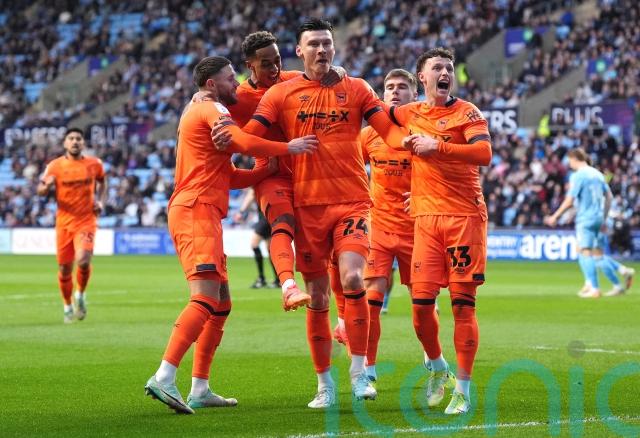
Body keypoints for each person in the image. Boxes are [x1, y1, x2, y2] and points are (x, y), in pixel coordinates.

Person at [212, 18, 409, 408]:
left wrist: (414, 140)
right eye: (314, 44)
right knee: (318, 297)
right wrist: (223, 133)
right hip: (307, 206)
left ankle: (359, 373)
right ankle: (324, 385)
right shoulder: (281, 93)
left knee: (353, 278)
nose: (322, 50)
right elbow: (251, 135)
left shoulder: (358, 88)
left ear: (334, 48)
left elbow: (389, 132)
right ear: (300, 51)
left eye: (327, 43)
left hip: (352, 202)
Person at [144, 55, 318, 414]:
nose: (236, 84)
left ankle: (200, 387)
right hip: (196, 210)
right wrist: (287, 148)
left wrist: (264, 171)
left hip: (204, 210)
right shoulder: (212, 108)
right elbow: (240, 141)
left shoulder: (199, 111)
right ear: (211, 84)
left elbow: (229, 176)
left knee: (221, 303)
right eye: (229, 78)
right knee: (204, 298)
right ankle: (164, 375)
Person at [194, 31, 343, 311]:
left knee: (327, 254)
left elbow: (330, 76)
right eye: (266, 64)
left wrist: (339, 70)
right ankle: (287, 286)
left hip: (309, 173)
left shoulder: (292, 80)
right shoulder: (238, 97)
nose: (274, 68)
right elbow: (210, 105)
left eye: (277, 60)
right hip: (271, 172)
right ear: (249, 65)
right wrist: (199, 96)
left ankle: (344, 318)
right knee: (282, 223)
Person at [389, 47, 492, 414]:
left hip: (464, 218)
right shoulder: (409, 113)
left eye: (449, 67)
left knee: (462, 306)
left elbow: (484, 154)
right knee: (420, 307)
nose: (445, 72)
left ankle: (462, 390)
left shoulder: (468, 112)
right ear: (423, 77)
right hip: (426, 221)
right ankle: (437, 365)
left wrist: (439, 146)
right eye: (437, 67)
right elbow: (369, 112)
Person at [37, 128, 106, 324]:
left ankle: (80, 294)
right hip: (64, 223)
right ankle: (67, 305)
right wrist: (47, 186)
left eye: (78, 138)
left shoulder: (94, 164)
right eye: (71, 138)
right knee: (65, 268)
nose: (75, 141)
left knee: (83, 260)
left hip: (86, 220)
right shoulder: (54, 166)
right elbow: (40, 190)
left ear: (83, 143)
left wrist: (101, 202)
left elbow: (102, 182)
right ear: (65, 143)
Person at [545, 148, 634, 297]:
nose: (569, 165)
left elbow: (570, 200)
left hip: (585, 218)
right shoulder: (598, 174)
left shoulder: (578, 176)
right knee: (596, 253)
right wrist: (604, 217)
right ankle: (617, 279)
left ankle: (593, 287)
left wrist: (555, 216)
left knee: (585, 251)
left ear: (574, 158)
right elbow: (609, 197)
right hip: (598, 218)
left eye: (570, 161)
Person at [235, 188, 279, 289]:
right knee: (270, 250)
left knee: (254, 244)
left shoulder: (255, 184)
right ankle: (278, 280)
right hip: (267, 216)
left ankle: (261, 279)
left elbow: (251, 195)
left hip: (265, 218)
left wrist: (241, 212)